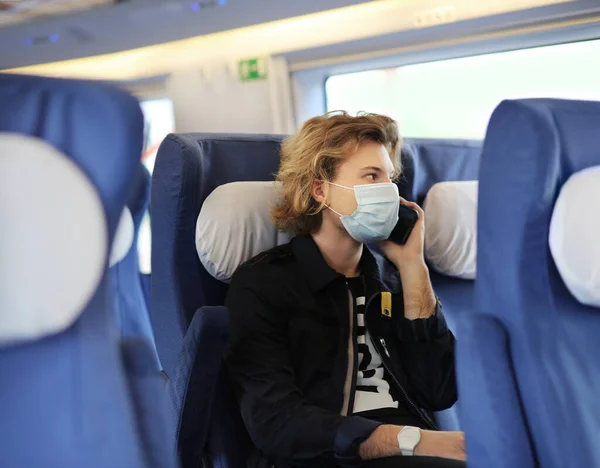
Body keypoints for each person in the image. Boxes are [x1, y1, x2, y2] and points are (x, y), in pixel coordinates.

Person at [225, 112, 465, 468]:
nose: (390, 191)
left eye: (390, 178)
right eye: (372, 176)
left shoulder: (391, 277)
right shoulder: (264, 284)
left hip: (414, 453)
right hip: (334, 457)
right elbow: (275, 422)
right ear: (321, 190)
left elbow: (439, 390)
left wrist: (413, 266)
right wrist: (407, 440)